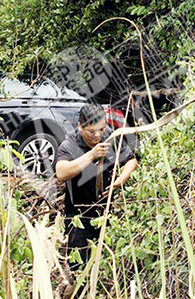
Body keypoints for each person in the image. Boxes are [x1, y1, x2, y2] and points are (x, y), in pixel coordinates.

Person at [54, 103, 139, 270]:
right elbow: (61, 173)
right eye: (91, 132)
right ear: (80, 126)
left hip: (108, 213)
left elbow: (131, 160)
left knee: (108, 265)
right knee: (79, 267)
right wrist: (91, 154)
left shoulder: (110, 138)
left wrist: (121, 179)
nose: (98, 135)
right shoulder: (69, 145)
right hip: (79, 216)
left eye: (102, 129)